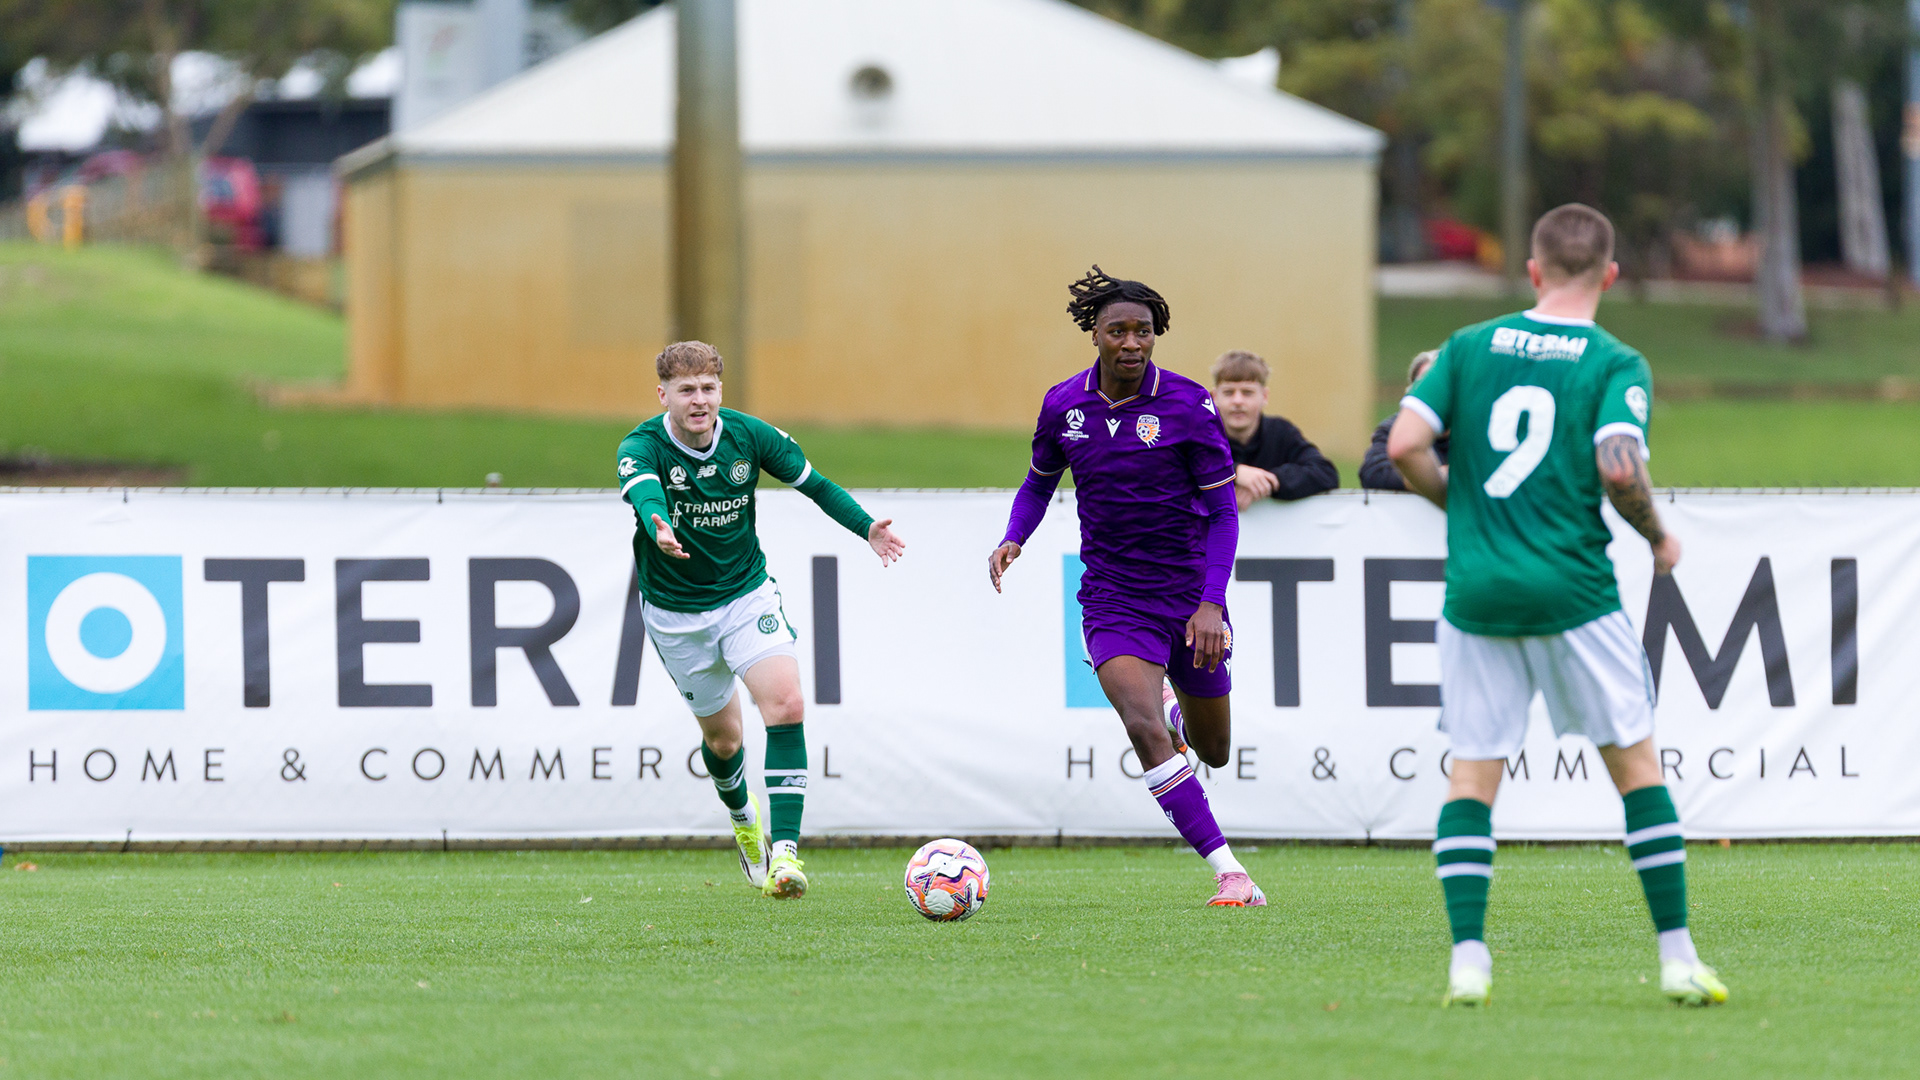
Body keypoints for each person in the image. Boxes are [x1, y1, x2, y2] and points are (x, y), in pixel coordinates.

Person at [1387, 204, 1727, 1008]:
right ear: (1610, 274)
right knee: (1636, 770)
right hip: (1575, 590)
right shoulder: (1614, 360)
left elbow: (1403, 444)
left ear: (1534, 270)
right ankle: (1677, 958)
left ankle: (1468, 962)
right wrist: (1658, 535)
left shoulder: (1468, 345)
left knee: (1472, 777)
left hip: (1478, 594)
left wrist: (1459, 503)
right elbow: (1619, 464)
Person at [987, 266, 1264, 908]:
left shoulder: (1189, 405)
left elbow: (1223, 513)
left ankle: (1179, 708)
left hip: (1189, 597)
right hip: (1114, 597)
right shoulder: (1064, 405)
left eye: (1144, 331)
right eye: (1118, 331)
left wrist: (1211, 603)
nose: (1132, 343)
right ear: (1095, 333)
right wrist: (1014, 536)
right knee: (1142, 726)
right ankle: (1231, 873)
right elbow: (1038, 483)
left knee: (1214, 750)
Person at [617, 341, 906, 900]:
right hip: (676, 613)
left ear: (720, 390)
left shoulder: (749, 436)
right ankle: (744, 820)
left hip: (745, 596)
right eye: (686, 390)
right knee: (724, 742)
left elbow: (816, 486)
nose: (699, 401)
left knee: (787, 705)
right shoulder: (642, 444)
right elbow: (645, 492)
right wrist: (658, 524)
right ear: (663, 395)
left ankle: (787, 855)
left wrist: (866, 526)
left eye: (708, 388)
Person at [1209, 350, 1340, 509]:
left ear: (1264, 396)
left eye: (1247, 393)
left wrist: (1268, 482)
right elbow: (1184, 471)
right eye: (1229, 393)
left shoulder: (1281, 432)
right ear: (1214, 397)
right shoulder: (1198, 435)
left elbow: (1325, 473)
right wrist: (1235, 473)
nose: (1237, 401)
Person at [1360, 351, 1450, 491]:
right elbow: (1374, 474)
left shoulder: (1479, 428)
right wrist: (1437, 478)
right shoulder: (1394, 428)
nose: (1433, 396)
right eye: (1425, 389)